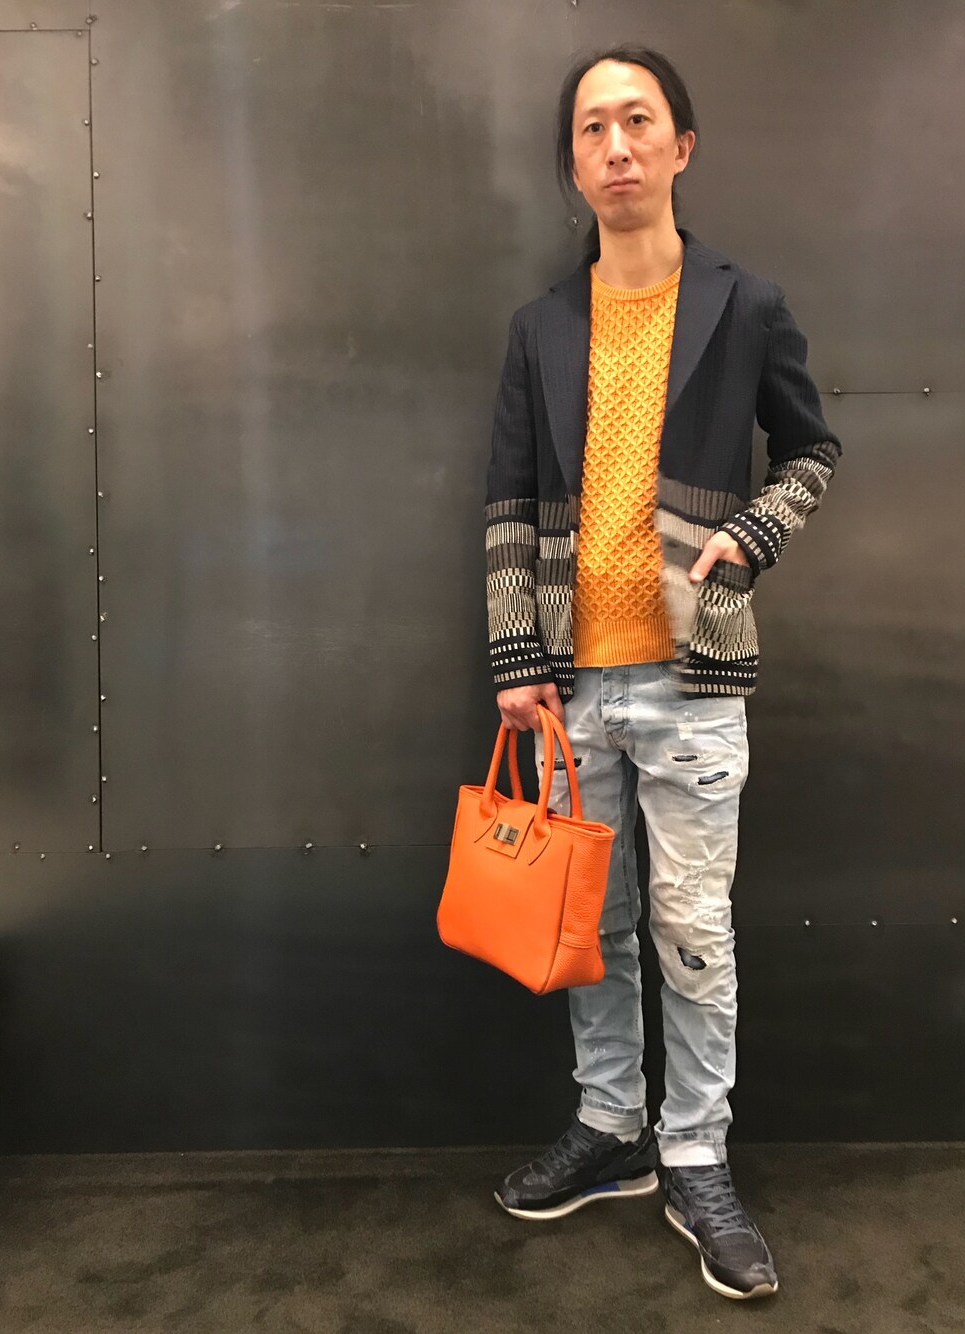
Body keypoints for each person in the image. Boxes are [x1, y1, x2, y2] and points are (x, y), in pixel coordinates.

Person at [483, 45, 841, 1301]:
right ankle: (610, 1127)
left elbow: (811, 450)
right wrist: (515, 657)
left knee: (691, 929)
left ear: (681, 147)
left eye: (637, 121)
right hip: (568, 688)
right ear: (574, 163)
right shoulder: (541, 325)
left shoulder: (745, 306)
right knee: (587, 927)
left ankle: (695, 1149)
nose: (616, 146)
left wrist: (749, 537)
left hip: (692, 680)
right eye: (592, 128)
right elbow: (508, 499)